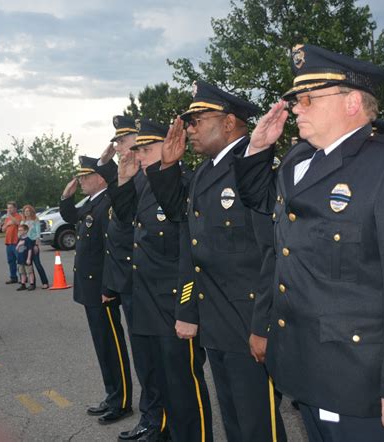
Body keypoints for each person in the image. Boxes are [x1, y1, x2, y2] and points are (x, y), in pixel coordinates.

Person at [234, 44, 384, 441]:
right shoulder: (299, 160)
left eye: (308, 98)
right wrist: (259, 148)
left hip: (360, 383)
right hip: (305, 369)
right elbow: (263, 207)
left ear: (352, 102)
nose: (298, 108)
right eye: (297, 99)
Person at [146, 81, 287, 442]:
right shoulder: (206, 171)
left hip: (249, 322)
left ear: (228, 124)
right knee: (237, 423)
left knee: (259, 426)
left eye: (196, 120)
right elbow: (189, 236)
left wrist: (263, 327)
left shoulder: (250, 166)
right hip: (218, 320)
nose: (189, 129)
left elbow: (271, 254)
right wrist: (166, 167)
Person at [110, 118, 213, 442]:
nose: (139, 156)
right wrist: (124, 180)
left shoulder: (183, 186)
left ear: (170, 148)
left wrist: (186, 310)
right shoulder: (141, 185)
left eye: (147, 149)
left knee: (184, 390)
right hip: (147, 304)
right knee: (160, 383)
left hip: (172, 306)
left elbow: (190, 257)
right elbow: (126, 223)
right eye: (138, 149)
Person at [100, 116, 166, 442]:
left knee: (155, 360)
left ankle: (159, 422)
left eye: (123, 141)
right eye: (117, 142)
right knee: (144, 360)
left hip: (150, 284)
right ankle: (152, 419)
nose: (118, 147)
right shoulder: (131, 178)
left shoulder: (153, 178)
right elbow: (120, 230)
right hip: (131, 283)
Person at [60, 155, 133, 425]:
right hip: (90, 287)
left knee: (112, 346)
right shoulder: (92, 202)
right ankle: (112, 394)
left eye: (85, 176)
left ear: (101, 178)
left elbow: (110, 248)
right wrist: (66, 197)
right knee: (102, 347)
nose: (80, 180)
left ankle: (122, 400)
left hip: (102, 288)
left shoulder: (108, 203)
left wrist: (108, 286)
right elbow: (71, 216)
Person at [21, 204, 49, 289]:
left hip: (33, 243)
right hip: (25, 244)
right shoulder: (23, 222)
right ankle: (32, 283)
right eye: (25, 211)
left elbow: (38, 233)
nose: (27, 213)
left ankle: (45, 282)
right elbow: (21, 233)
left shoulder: (35, 220)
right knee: (28, 265)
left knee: (37, 264)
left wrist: (36, 244)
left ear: (31, 212)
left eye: (28, 211)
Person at [2, 201, 22, 284]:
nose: (9, 209)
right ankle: (13, 277)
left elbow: (18, 223)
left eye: (10, 207)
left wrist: (10, 217)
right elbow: (3, 229)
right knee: (11, 261)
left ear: (15, 208)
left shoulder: (18, 216)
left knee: (20, 260)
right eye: (8, 208)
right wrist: (7, 224)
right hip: (8, 242)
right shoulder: (7, 218)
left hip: (16, 242)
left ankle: (23, 277)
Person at [15, 224, 35, 291]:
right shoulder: (19, 239)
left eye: (21, 230)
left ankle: (32, 284)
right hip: (20, 259)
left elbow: (30, 249)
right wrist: (19, 244)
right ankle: (23, 284)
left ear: (25, 231)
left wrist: (29, 258)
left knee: (30, 272)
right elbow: (16, 249)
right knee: (22, 272)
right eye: (19, 230)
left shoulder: (28, 240)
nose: (20, 231)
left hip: (26, 258)